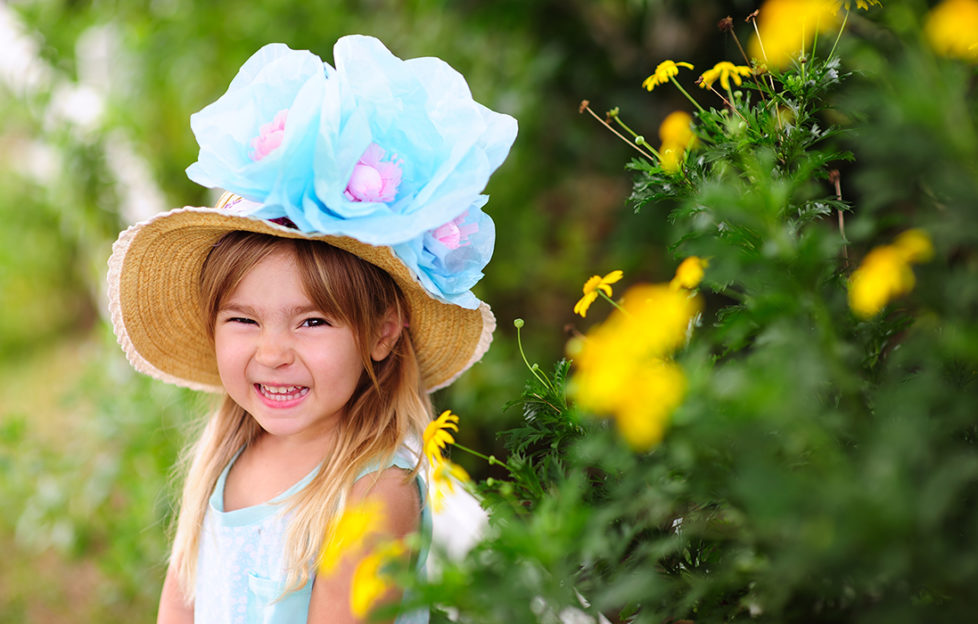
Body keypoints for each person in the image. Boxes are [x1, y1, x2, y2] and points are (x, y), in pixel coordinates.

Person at [106, 35, 516, 623]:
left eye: (313, 320)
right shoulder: (224, 460)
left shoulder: (374, 490)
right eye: (244, 319)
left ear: (382, 333)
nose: (273, 353)